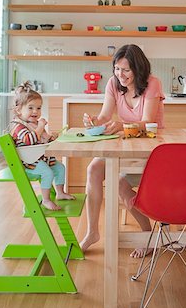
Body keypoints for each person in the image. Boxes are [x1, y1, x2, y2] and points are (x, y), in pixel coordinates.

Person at [80, 44, 165, 258]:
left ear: (138, 68)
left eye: (126, 70)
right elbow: (105, 115)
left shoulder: (152, 84)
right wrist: (93, 121)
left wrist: (123, 126)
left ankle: (147, 234)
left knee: (119, 182)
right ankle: (92, 232)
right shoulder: (113, 84)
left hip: (152, 148)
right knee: (94, 170)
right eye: (117, 69)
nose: (121, 75)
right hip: (126, 146)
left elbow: (148, 122)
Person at [9, 81, 75, 211]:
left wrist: (51, 138)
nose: (35, 111)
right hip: (29, 162)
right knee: (47, 173)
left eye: (38, 108)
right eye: (31, 108)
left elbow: (42, 140)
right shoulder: (19, 126)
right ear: (18, 110)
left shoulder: (34, 123)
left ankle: (60, 193)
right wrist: (40, 127)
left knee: (60, 167)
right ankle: (46, 200)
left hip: (41, 158)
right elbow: (29, 140)